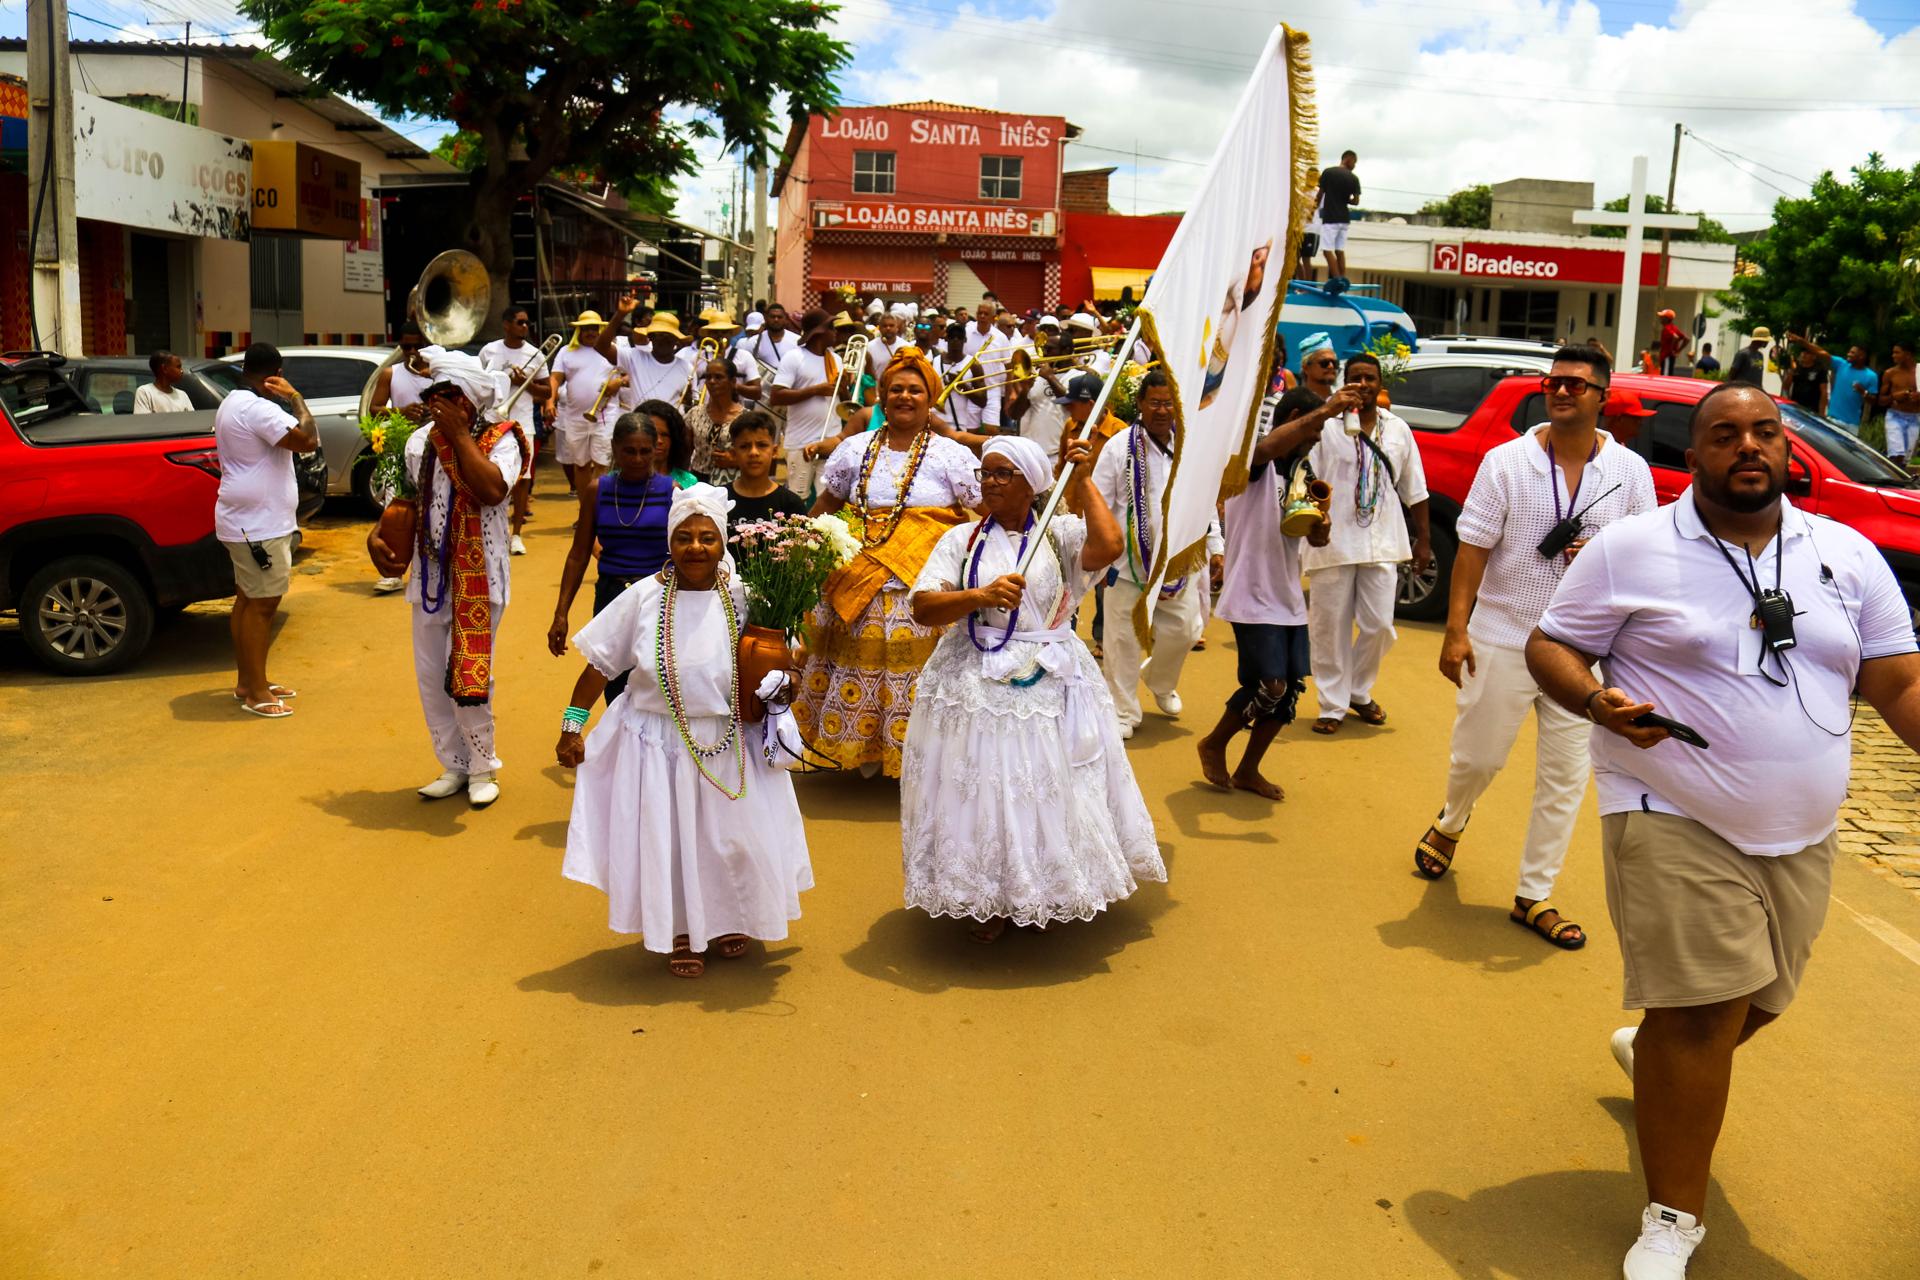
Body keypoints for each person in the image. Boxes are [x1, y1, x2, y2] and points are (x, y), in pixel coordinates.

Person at [1524, 379, 1920, 1280]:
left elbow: (1897, 683)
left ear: (1786, 451)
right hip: (1672, 807)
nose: (1749, 446)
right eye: (1725, 433)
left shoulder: (1847, 554)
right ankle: (1672, 1219)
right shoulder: (1632, 549)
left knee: (1757, 1002)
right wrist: (1596, 700)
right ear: (1693, 452)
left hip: (1801, 832)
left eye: (1765, 432)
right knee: (1704, 1015)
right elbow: (1552, 644)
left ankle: (1655, 1055)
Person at [1411, 345, 1657, 949]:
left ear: (1602, 398)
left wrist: (1599, 556)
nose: (1562, 391)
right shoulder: (1506, 462)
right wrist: (1456, 629)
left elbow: (1644, 558)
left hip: (1582, 652)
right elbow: (1472, 549)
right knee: (1478, 759)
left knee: (1565, 779)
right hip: (1504, 633)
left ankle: (1533, 894)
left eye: (1576, 384)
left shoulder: (1630, 472)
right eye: (1554, 383)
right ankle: (1452, 819)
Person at [901, 434, 1162, 940]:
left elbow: (1110, 546)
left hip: (1052, 676)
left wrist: (1082, 478)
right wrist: (980, 595)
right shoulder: (962, 540)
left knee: (1046, 785)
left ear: (1033, 484)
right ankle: (990, 898)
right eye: (986, 473)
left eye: (1003, 473)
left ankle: (1045, 890)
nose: (990, 483)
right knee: (987, 788)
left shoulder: (1059, 536)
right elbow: (923, 606)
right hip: (975, 678)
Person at [556, 484, 813, 979]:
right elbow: (598, 666)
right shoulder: (642, 598)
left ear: (722, 544)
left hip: (730, 742)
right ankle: (679, 930)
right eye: (684, 538)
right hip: (659, 745)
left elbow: (789, 657)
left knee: (733, 838)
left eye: (707, 538)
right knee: (669, 843)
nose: (696, 547)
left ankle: (730, 918)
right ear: (670, 542)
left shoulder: (749, 596)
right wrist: (572, 727)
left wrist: (789, 682)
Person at [794, 349, 982, 777]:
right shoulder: (854, 449)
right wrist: (795, 547)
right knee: (856, 664)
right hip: (856, 579)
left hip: (925, 587)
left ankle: (922, 757)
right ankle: (865, 752)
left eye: (915, 390)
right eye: (896, 389)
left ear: (930, 399)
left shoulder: (950, 455)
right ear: (881, 395)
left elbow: (986, 509)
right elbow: (827, 505)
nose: (905, 397)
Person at [367, 350, 526, 808]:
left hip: (480, 576)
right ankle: (454, 764)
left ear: (471, 400)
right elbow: (403, 500)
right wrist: (376, 535)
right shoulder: (419, 442)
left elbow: (492, 489)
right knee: (430, 676)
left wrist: (458, 436)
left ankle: (482, 766)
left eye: (451, 395)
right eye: (436, 394)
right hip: (430, 576)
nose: (440, 403)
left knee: (468, 671)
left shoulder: (503, 439)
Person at [1196, 344, 1356, 798]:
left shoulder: (1303, 473)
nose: (1315, 440)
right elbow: (1268, 447)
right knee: (1268, 684)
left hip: (1286, 595)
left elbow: (1315, 539)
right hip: (1250, 591)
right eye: (1312, 430)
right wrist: (1327, 409)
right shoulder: (1254, 460)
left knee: (1287, 693)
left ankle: (1248, 769)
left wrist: (1321, 526)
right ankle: (1214, 743)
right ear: (1295, 420)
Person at [1088, 369, 1222, 739]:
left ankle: (1160, 681)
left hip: (1178, 561)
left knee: (1185, 630)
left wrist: (1216, 546)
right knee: (1121, 640)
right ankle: (1123, 711)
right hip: (1127, 565)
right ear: (1141, 404)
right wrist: (1100, 554)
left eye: (1168, 403)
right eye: (1155, 403)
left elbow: (1204, 501)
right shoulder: (1119, 448)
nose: (1162, 410)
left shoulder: (1190, 448)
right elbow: (1099, 503)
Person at [1303, 352, 1432, 734]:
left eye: (1369, 378)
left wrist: (1424, 540)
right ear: (1344, 382)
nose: (1363, 384)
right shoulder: (1326, 425)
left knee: (1379, 625)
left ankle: (1358, 690)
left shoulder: (1398, 429)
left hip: (1382, 540)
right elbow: (1304, 477)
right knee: (1329, 627)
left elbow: (1416, 488)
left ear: (1380, 384)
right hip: (1332, 540)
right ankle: (1332, 704)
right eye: (1355, 377)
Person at [213, 343, 318, 719]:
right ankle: (256, 693)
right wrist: (296, 397)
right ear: (276, 374)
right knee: (262, 606)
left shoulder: (233, 402)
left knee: (247, 601)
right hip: (258, 524)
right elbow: (307, 440)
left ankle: (250, 681)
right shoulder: (257, 408)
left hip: (246, 520)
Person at [548, 413, 675, 704]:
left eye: (645, 451)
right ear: (615, 448)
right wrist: (561, 614)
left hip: (657, 597)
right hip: (611, 596)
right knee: (612, 682)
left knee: (654, 681)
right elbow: (578, 555)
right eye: (629, 451)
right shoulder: (598, 491)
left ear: (656, 449)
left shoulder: (671, 492)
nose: (637, 459)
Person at [368, 321, 438, 593]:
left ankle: (431, 571)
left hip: (433, 448)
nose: (411, 352)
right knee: (394, 508)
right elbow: (374, 408)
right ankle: (392, 571)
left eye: (416, 346)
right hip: (400, 447)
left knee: (433, 508)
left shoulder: (437, 372)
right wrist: (401, 412)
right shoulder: (391, 373)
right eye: (405, 346)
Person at [478, 306, 553, 556]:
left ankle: (517, 534)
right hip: (492, 420)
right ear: (506, 324)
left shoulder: (535, 354)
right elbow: (479, 383)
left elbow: (547, 392)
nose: (525, 327)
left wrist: (525, 383)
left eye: (527, 323)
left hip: (523, 423)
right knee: (492, 476)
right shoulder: (489, 351)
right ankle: (492, 531)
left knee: (522, 479)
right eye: (520, 322)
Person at [769, 310, 841, 500]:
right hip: (801, 442)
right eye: (831, 327)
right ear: (819, 332)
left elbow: (842, 399)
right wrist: (815, 390)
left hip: (830, 440)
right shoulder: (794, 357)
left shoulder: (836, 360)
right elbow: (776, 396)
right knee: (798, 498)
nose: (835, 332)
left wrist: (844, 387)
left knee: (828, 499)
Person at [549, 309, 621, 498]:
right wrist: (550, 402)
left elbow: (630, 373)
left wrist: (619, 382)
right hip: (575, 418)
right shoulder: (566, 351)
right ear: (579, 331)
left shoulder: (612, 350)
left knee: (602, 464)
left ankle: (598, 507)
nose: (591, 332)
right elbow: (555, 378)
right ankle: (585, 508)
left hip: (605, 415)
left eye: (594, 328)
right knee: (580, 465)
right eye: (586, 328)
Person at [723, 411, 806, 541]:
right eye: (744, 446)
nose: (753, 452)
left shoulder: (791, 505)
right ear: (733, 454)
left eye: (762, 445)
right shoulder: (720, 499)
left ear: (774, 451)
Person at [1784, 331, 1875, 430]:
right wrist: (1801, 341)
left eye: (1852, 353)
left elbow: (1873, 400)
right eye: (1849, 352)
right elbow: (1820, 352)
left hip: (1852, 425)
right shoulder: (1841, 364)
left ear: (1862, 355)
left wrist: (1863, 392)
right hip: (1833, 420)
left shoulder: (1871, 376)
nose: (1848, 354)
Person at [686, 359, 748, 485]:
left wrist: (735, 461)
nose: (712, 381)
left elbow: (758, 455)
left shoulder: (746, 418)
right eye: (708, 377)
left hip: (733, 483)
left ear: (733, 382)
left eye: (718, 377)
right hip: (698, 482)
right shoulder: (694, 414)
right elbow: (684, 453)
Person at [1316, 149, 1361, 286]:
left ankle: (1337, 280)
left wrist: (1314, 208)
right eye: (1354, 162)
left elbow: (1320, 194)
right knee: (1339, 250)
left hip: (1331, 218)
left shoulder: (1328, 172)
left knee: (1327, 250)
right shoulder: (1354, 178)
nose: (1354, 165)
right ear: (1347, 159)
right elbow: (1356, 201)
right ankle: (1343, 278)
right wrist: (1345, 199)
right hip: (1344, 219)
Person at [1879, 340, 1920, 467]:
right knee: (1896, 454)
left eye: (1897, 353)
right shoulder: (1890, 373)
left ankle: (1896, 478)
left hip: (1915, 418)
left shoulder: (1919, 372)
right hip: (1895, 416)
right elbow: (1880, 401)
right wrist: (1894, 396)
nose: (1893, 356)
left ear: (1907, 354)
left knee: (1904, 460)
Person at [1785, 343, 1829, 415]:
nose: (1804, 355)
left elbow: (1824, 392)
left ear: (1814, 356)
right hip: (1795, 407)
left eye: (1807, 353)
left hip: (1812, 409)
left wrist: (1822, 412)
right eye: (1802, 352)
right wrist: (1791, 371)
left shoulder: (1819, 369)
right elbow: (1786, 387)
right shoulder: (1797, 367)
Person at [1655, 308, 1691, 376]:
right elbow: (1686, 339)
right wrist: (1678, 351)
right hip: (1669, 357)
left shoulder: (1667, 329)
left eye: (1662, 317)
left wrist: (1671, 350)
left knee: (1665, 377)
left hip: (1666, 357)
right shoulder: (1674, 328)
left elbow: (1675, 337)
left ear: (1667, 319)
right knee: (1668, 374)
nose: (1660, 318)